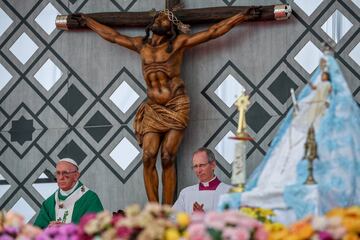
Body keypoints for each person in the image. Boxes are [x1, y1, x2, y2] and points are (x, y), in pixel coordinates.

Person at [75, 7, 260, 205]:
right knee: (147, 156)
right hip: (153, 108)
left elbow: (212, 32)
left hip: (176, 105)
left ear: (171, 27)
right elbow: (112, 36)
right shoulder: (141, 45)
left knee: (167, 157)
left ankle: (167, 208)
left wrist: (241, 16)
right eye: (158, 17)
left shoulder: (178, 44)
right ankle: (155, 210)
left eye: (166, 19)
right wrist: (88, 21)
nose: (161, 20)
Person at [34, 158, 104, 229]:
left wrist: (68, 228)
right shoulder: (49, 203)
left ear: (76, 176)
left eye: (65, 173)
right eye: (58, 173)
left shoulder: (89, 198)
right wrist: (49, 230)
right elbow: (37, 232)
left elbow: (97, 229)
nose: (61, 177)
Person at [172, 148, 231, 214]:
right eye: (195, 166)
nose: (198, 171)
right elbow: (172, 218)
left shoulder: (229, 192)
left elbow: (234, 221)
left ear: (213, 165)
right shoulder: (186, 193)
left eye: (202, 165)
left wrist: (204, 217)